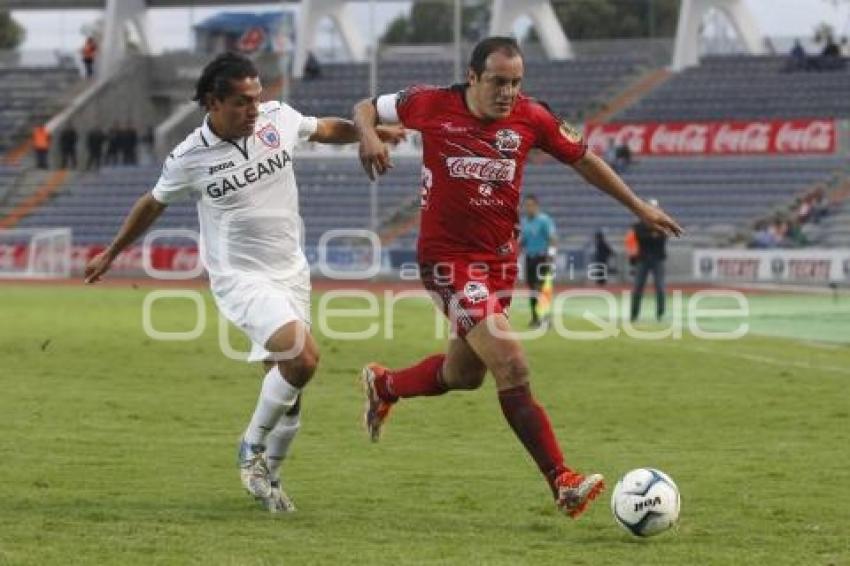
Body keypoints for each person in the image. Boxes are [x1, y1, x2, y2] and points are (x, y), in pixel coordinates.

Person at [353, 37, 682, 519]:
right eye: (498, 82)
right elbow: (365, 106)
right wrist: (369, 134)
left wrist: (638, 206)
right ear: (472, 77)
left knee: (463, 376)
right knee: (513, 364)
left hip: (499, 264)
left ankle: (386, 386)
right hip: (448, 261)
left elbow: (584, 158)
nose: (508, 92)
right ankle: (563, 481)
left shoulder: (533, 117)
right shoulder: (428, 103)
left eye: (515, 83)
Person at [84, 52, 403, 514]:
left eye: (257, 98)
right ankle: (250, 448)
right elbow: (153, 203)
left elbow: (323, 128)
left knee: (287, 384)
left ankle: (270, 478)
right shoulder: (189, 156)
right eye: (241, 102)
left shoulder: (277, 118)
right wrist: (113, 252)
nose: (254, 109)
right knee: (303, 356)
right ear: (213, 102)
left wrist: (369, 132)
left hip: (290, 270)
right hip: (240, 276)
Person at [519, 194, 556, 327]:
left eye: (531, 205)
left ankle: (545, 317)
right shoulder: (524, 222)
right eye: (526, 206)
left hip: (542, 257)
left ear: (536, 206)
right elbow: (522, 241)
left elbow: (552, 238)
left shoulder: (544, 220)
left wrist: (551, 254)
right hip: (529, 258)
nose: (529, 208)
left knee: (540, 287)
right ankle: (535, 318)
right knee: (531, 289)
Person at [629, 199, 669, 322]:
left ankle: (660, 314)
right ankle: (634, 314)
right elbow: (643, 237)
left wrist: (652, 235)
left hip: (657, 258)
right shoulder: (638, 225)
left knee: (660, 287)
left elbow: (662, 238)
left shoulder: (662, 225)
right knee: (638, 287)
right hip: (643, 259)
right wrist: (653, 234)